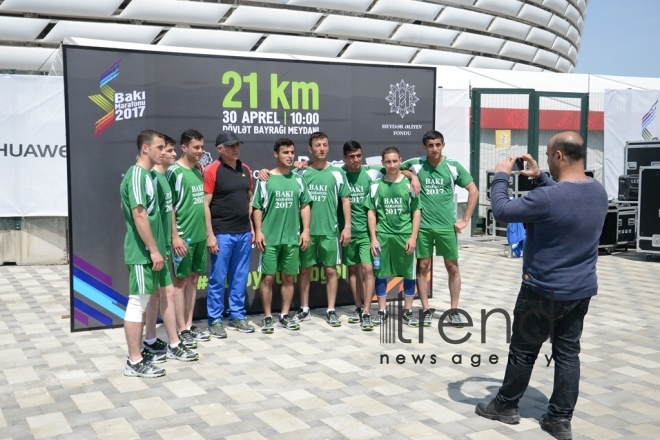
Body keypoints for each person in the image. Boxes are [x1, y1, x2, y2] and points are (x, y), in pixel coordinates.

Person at [475, 132, 608, 440]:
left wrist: (500, 177)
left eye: (548, 155)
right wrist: (541, 177)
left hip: (541, 290)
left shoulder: (548, 199)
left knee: (523, 351)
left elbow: (503, 210)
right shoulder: (598, 192)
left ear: (559, 155)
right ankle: (560, 420)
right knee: (567, 354)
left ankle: (505, 405)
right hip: (581, 290)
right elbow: (566, 198)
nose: (546, 159)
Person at [401, 130, 478, 327]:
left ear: (443, 144)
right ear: (424, 147)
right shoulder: (417, 164)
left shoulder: (453, 166)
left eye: (438, 145)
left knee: (452, 268)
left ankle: (453, 311)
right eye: (430, 145)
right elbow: (392, 168)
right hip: (424, 227)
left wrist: (465, 219)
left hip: (446, 227)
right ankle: (426, 309)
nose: (434, 149)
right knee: (423, 267)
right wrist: (412, 175)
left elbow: (473, 190)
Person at [144, 135, 199, 362]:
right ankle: (173, 343)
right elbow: (137, 213)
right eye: (167, 150)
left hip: (163, 246)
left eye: (173, 150)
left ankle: (149, 340)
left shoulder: (165, 176)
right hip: (155, 247)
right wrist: (157, 245)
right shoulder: (150, 178)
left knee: (157, 293)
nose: (173, 154)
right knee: (159, 293)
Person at [119, 130, 167, 377]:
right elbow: (139, 216)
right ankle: (134, 361)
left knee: (144, 300)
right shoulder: (137, 174)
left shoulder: (145, 175)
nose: (163, 151)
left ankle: (139, 355)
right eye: (159, 147)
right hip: (141, 252)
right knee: (137, 303)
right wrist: (154, 249)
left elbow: (125, 205)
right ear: (145, 149)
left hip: (146, 252)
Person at [252, 138, 311, 333]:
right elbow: (257, 207)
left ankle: (284, 315)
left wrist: (306, 230)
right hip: (270, 238)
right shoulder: (265, 179)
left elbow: (304, 206)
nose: (289, 156)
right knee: (267, 278)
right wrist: (259, 231)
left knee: (288, 278)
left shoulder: (298, 179)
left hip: (292, 239)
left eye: (292, 152)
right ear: (276, 154)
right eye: (285, 152)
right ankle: (267, 316)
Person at [294, 132, 351, 327]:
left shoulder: (337, 172)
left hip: (330, 231)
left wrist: (347, 227)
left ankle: (331, 310)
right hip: (307, 232)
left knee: (331, 270)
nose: (322, 148)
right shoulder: (301, 173)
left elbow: (345, 200)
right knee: (304, 271)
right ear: (310, 149)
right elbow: (281, 175)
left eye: (325, 145)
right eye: (317, 145)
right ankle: (304, 309)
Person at [203, 130, 255, 337]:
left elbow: (250, 199)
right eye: (231, 146)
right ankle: (215, 320)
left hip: (243, 233)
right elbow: (205, 205)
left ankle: (237, 317)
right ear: (220, 149)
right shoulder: (212, 170)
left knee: (240, 277)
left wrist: (252, 227)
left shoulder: (247, 169)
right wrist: (210, 235)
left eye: (237, 145)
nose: (236, 149)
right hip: (222, 233)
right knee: (217, 278)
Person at [366, 147, 421, 326]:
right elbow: (372, 212)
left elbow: (416, 211)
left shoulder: (409, 184)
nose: (392, 165)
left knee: (409, 274)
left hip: (404, 236)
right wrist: (373, 238)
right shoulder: (376, 185)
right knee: (380, 273)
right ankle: (382, 311)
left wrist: (413, 237)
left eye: (395, 161)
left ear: (400, 160)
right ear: (382, 163)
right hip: (383, 236)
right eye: (388, 162)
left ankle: (407, 311)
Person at [167, 129, 210, 348]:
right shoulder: (174, 172)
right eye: (196, 147)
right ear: (183, 148)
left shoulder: (198, 170)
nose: (201, 151)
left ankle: (189, 325)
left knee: (193, 279)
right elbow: (170, 206)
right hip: (183, 238)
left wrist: (209, 233)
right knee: (181, 282)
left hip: (200, 237)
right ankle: (180, 328)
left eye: (202, 147)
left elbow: (202, 204)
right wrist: (175, 236)